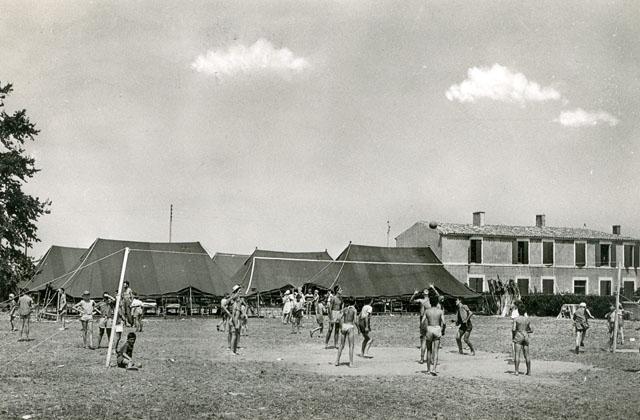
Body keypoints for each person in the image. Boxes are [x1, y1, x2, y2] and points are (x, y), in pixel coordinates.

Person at [423, 294, 445, 375]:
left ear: (430, 303)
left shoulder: (427, 311)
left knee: (429, 350)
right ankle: (434, 369)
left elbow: (423, 322)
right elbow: (444, 322)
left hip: (429, 328)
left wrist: (425, 329)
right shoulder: (440, 311)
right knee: (436, 350)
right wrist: (443, 331)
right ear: (437, 303)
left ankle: (428, 370)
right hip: (437, 328)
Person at [335, 298, 358, 367]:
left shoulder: (345, 309)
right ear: (354, 303)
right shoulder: (354, 310)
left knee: (341, 345)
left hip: (344, 326)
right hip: (350, 326)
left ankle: (337, 361)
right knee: (351, 345)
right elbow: (355, 321)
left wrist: (340, 326)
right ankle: (351, 363)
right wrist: (359, 329)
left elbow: (338, 318)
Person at [512, 301, 532, 376]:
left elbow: (513, 329)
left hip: (518, 335)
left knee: (517, 354)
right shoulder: (527, 319)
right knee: (527, 354)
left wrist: (516, 332)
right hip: (525, 336)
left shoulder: (516, 319)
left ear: (519, 311)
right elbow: (531, 329)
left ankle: (516, 371)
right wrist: (526, 331)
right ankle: (529, 371)